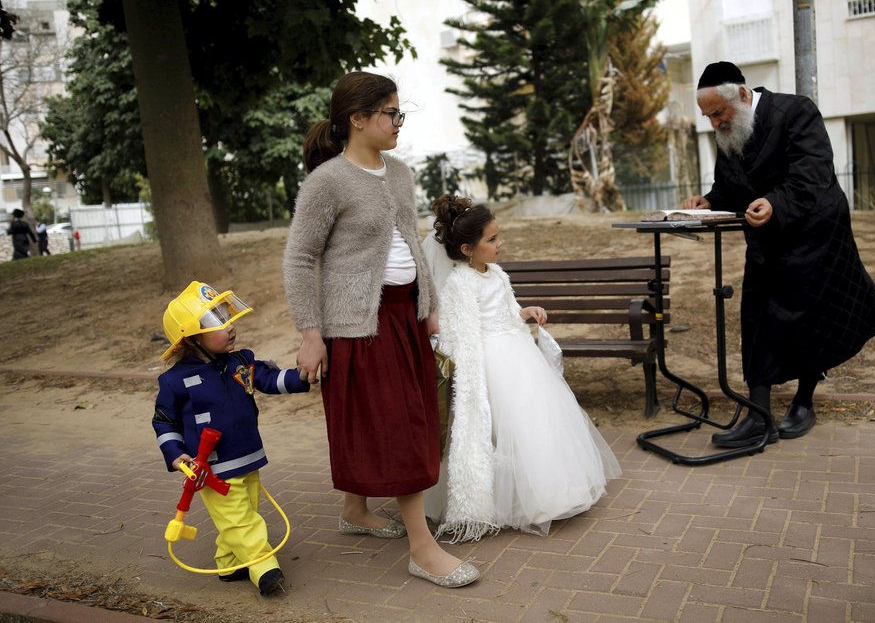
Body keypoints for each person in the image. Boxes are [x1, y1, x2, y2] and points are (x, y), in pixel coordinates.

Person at [282, 71, 479, 588]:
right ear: (358, 119)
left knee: (399, 419)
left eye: (399, 113)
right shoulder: (326, 182)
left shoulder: (399, 173)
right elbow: (300, 259)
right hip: (357, 326)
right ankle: (422, 548)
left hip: (404, 318)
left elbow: (411, 245)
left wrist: (429, 306)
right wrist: (310, 332)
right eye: (391, 113)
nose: (398, 122)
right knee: (396, 427)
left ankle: (355, 510)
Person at [684, 61, 875, 448]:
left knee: (811, 317)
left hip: (816, 232)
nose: (714, 123)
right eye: (708, 116)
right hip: (767, 238)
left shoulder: (796, 111)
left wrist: (774, 203)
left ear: (743, 95)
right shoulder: (732, 129)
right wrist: (707, 200)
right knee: (757, 317)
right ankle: (759, 416)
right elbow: (729, 185)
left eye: (718, 112)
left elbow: (813, 171)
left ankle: (804, 402)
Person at [423, 194, 621, 542]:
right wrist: (473, 377)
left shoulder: (497, 274)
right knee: (502, 429)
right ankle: (505, 500)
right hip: (490, 363)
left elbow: (507, 309)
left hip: (517, 356)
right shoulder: (460, 283)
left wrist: (526, 312)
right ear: (468, 249)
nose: (501, 244)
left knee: (535, 422)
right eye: (492, 239)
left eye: (499, 236)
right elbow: (460, 333)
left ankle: (551, 489)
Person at [152, 281, 310, 596]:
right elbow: (163, 420)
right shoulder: (174, 381)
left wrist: (305, 375)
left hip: (248, 455)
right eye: (216, 322)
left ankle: (228, 563)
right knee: (240, 521)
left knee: (245, 511)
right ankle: (264, 566)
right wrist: (175, 453)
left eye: (227, 317)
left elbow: (270, 379)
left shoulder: (241, 362)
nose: (229, 327)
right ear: (191, 337)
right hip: (212, 468)